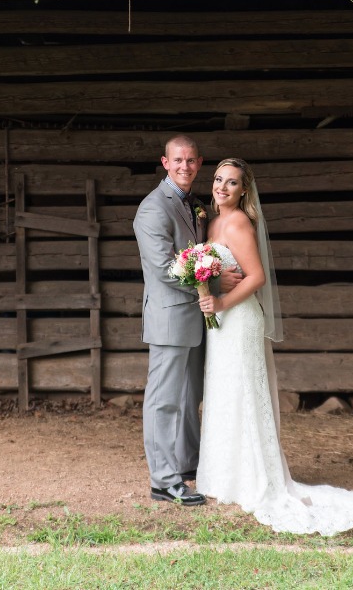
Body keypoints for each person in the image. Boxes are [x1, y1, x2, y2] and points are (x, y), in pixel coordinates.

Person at [196, 157, 353, 536]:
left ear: (244, 190)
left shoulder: (240, 221)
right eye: (217, 180)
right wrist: (210, 288)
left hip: (240, 319)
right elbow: (215, 272)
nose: (222, 187)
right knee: (225, 393)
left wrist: (223, 303)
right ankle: (224, 476)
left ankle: (254, 479)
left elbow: (256, 276)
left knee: (244, 392)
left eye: (231, 182)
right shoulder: (211, 223)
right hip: (220, 323)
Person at [133, 135, 240, 506]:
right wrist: (214, 281)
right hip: (169, 318)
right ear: (165, 162)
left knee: (191, 396)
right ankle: (163, 482)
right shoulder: (152, 209)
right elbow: (164, 270)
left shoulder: (194, 204)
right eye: (178, 160)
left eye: (191, 161)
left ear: (199, 163)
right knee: (163, 401)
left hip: (196, 318)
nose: (184, 166)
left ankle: (187, 466)